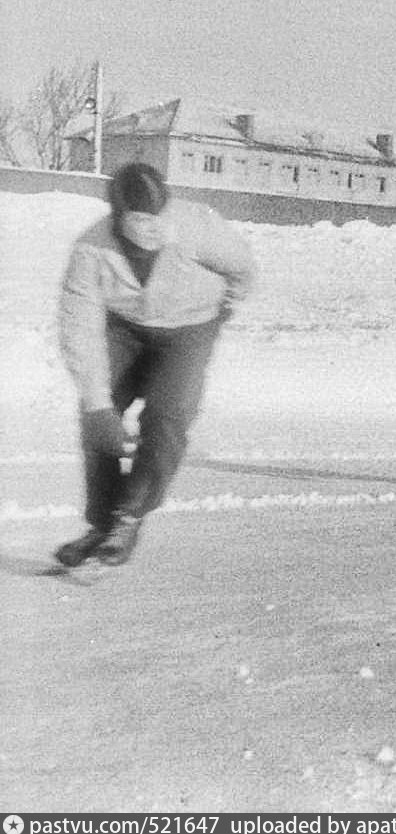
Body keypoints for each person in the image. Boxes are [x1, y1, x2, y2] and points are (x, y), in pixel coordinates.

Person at [52, 162, 257, 568]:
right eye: (137, 218)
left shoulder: (196, 226)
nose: (148, 227)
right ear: (117, 215)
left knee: (168, 415)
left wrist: (226, 307)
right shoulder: (91, 248)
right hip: (125, 328)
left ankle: (129, 515)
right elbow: (80, 327)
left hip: (189, 328)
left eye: (155, 215)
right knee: (97, 412)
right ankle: (102, 522)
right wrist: (98, 406)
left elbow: (242, 266)